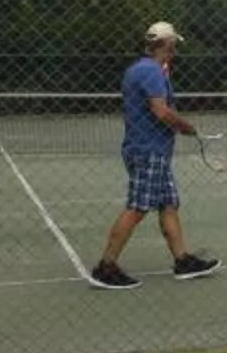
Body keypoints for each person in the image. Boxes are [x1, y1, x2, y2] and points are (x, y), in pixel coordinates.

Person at [92, 20, 218, 288]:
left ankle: (182, 260)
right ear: (166, 44)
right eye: (173, 44)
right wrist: (186, 127)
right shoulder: (151, 72)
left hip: (153, 150)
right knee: (137, 208)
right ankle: (106, 266)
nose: (175, 49)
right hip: (147, 150)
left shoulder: (143, 69)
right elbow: (161, 111)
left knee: (168, 204)